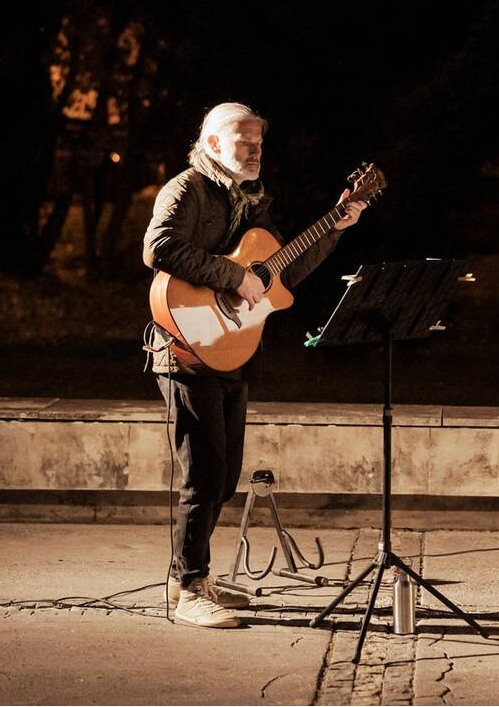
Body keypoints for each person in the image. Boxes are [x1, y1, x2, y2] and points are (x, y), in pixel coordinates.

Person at [142, 102, 366, 628]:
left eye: (259, 143)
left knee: (224, 477)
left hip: (230, 349)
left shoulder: (249, 201)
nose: (255, 150)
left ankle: (191, 577)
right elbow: (159, 246)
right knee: (202, 474)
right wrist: (231, 277)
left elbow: (280, 271)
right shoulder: (186, 188)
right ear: (215, 144)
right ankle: (191, 589)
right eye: (245, 142)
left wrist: (337, 226)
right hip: (184, 347)